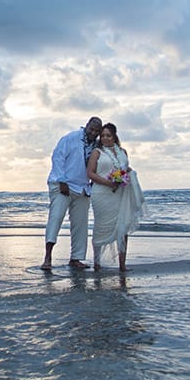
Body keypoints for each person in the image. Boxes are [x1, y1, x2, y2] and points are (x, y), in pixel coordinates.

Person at [42, 117, 103, 271]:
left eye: (97, 131)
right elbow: (57, 158)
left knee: (80, 225)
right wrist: (62, 181)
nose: (93, 133)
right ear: (87, 126)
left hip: (82, 188)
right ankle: (47, 257)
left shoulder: (96, 145)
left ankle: (76, 258)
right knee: (55, 219)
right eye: (92, 129)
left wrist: (92, 185)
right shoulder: (71, 138)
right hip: (63, 184)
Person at [87, 122, 145, 275]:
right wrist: (109, 182)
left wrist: (127, 175)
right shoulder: (97, 152)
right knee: (101, 227)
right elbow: (90, 173)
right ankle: (97, 262)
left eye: (108, 135)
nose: (105, 138)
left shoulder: (123, 152)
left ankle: (122, 264)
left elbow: (125, 168)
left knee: (123, 226)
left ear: (114, 136)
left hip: (120, 193)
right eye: (103, 136)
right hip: (101, 193)